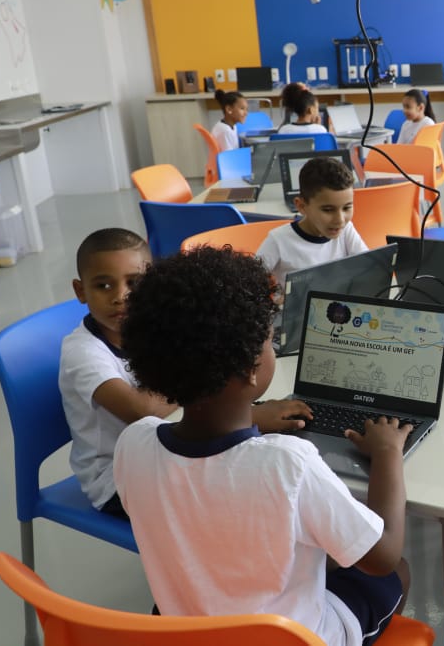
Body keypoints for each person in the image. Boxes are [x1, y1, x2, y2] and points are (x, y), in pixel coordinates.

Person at [113, 247, 410, 646]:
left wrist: (253, 415)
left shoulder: (132, 443)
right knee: (399, 573)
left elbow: (203, 492)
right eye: (269, 340)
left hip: (187, 632)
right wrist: (389, 454)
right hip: (299, 639)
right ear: (252, 370)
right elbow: (383, 556)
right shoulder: (289, 464)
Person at [59, 229, 307, 520]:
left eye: (134, 282)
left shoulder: (152, 325)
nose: (120, 296)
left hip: (166, 446)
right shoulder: (82, 352)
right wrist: (247, 416)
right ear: (80, 291)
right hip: (118, 479)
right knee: (257, 492)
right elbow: (143, 409)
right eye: (103, 285)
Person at [256, 156, 368, 289]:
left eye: (347, 208)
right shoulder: (278, 240)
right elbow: (249, 283)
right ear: (302, 206)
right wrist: (273, 300)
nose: (340, 220)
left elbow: (369, 269)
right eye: (328, 210)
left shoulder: (346, 230)